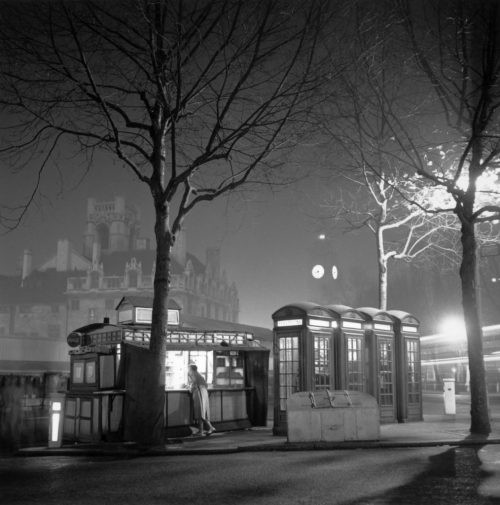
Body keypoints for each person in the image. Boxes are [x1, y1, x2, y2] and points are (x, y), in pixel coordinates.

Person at [187, 364, 216, 436]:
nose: (188, 370)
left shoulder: (193, 374)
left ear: (191, 369)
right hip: (203, 393)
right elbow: (205, 385)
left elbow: (193, 385)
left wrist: (189, 388)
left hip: (199, 393)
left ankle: (204, 430)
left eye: (188, 369)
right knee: (203, 412)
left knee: (200, 412)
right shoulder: (198, 374)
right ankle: (205, 429)